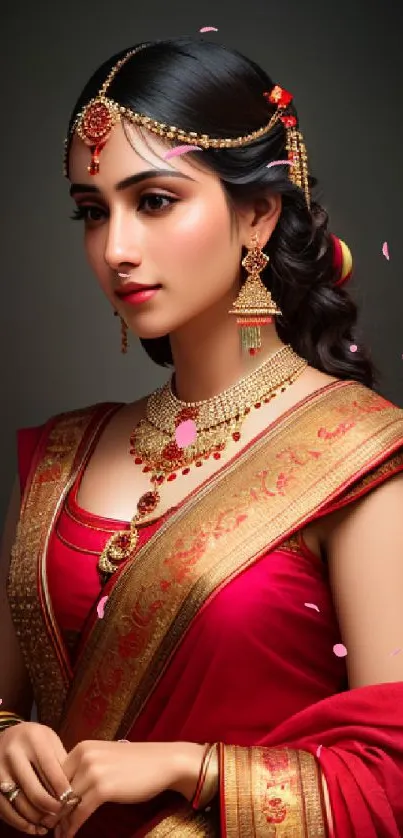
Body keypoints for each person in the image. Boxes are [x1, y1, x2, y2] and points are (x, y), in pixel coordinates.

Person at [0, 35, 403, 838]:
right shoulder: (64, 455)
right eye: (92, 210)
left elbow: (391, 779)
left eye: (153, 200)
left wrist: (191, 765)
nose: (114, 249)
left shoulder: (357, 456)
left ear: (258, 213)